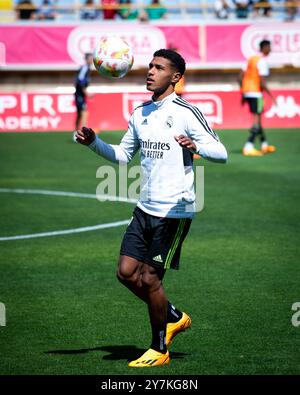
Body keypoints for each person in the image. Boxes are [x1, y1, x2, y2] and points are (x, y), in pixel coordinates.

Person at [75, 49, 228, 367]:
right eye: (150, 66)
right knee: (126, 273)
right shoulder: (140, 112)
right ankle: (172, 315)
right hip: (145, 207)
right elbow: (121, 155)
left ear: (175, 77)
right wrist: (93, 142)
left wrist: (196, 146)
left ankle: (159, 348)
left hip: (174, 210)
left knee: (149, 279)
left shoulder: (186, 112)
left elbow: (221, 152)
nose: (150, 71)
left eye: (159, 68)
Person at [239, 39, 277, 156]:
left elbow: (240, 77)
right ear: (264, 48)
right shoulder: (262, 62)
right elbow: (262, 82)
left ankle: (264, 144)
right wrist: (272, 96)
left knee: (258, 121)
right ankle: (248, 146)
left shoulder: (250, 59)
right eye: (269, 47)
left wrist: (243, 93)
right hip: (256, 93)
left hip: (248, 92)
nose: (270, 49)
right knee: (257, 120)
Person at [73, 53, 93, 141]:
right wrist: (86, 93)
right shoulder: (85, 68)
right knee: (84, 113)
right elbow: (80, 81)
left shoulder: (87, 68)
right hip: (79, 94)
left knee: (79, 114)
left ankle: (76, 134)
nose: (93, 60)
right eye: (91, 58)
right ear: (87, 59)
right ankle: (83, 134)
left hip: (80, 94)